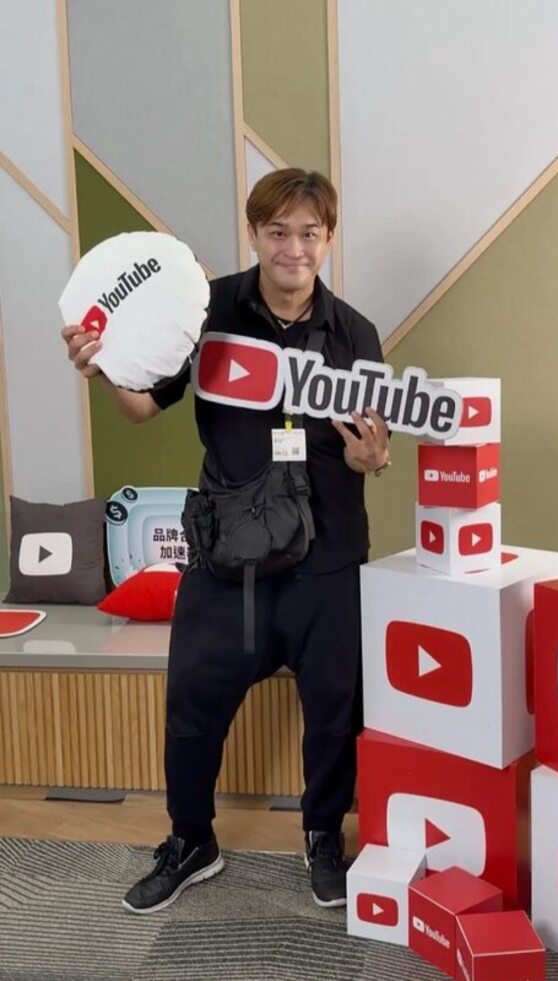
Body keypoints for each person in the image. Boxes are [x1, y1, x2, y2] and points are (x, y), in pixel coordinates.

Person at [62, 169, 390, 915]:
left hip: (328, 555)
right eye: (278, 231)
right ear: (254, 234)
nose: (293, 248)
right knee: (192, 707)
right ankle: (190, 840)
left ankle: (323, 836)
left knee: (336, 711)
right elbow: (143, 406)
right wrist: (99, 366)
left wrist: (374, 459)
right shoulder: (204, 312)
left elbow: (374, 446)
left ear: (329, 240)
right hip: (229, 555)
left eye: (309, 233)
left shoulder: (356, 334)